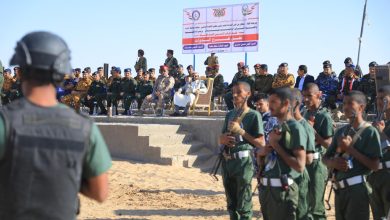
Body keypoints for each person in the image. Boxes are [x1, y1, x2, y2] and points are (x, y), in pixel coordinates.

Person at [0, 31, 111, 220]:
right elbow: (100, 192)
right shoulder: (84, 127)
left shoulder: (6, 123)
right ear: (62, 73)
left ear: (20, 72)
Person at [323, 90, 382, 220]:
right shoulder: (341, 131)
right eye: (344, 103)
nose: (345, 107)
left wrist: (350, 149)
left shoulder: (370, 132)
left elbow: (375, 165)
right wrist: (333, 162)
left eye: (350, 103)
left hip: (357, 190)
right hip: (339, 189)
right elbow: (325, 158)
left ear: (361, 107)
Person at [257, 87, 307, 220]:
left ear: (285, 104)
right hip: (268, 190)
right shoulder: (276, 126)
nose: (270, 105)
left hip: (283, 192)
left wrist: (276, 145)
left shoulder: (295, 128)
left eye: (274, 102)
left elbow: (300, 165)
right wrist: (261, 154)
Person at [219, 81, 265, 220]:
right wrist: (222, 139)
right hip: (227, 161)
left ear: (248, 94)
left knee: (244, 204)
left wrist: (242, 132)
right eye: (233, 92)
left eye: (239, 92)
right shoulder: (230, 114)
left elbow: (261, 143)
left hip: (243, 163)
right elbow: (221, 137)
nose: (234, 95)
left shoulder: (253, 115)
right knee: (231, 205)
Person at [303, 83, 334, 220]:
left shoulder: (324, 115)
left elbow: (329, 144)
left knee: (316, 207)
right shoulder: (305, 112)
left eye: (309, 96)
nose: (306, 99)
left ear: (319, 95)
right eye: (304, 96)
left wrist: (313, 131)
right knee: (304, 204)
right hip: (304, 162)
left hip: (317, 164)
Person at [292, 88, 316, 220]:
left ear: (295, 103)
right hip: (286, 177)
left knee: (301, 212)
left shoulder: (304, 126)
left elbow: (308, 159)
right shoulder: (285, 125)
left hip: (299, 177)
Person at [370, 85, 390, 220]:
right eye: (377, 98)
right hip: (375, 175)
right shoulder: (379, 121)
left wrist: (381, 133)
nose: (379, 101)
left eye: (383, 99)